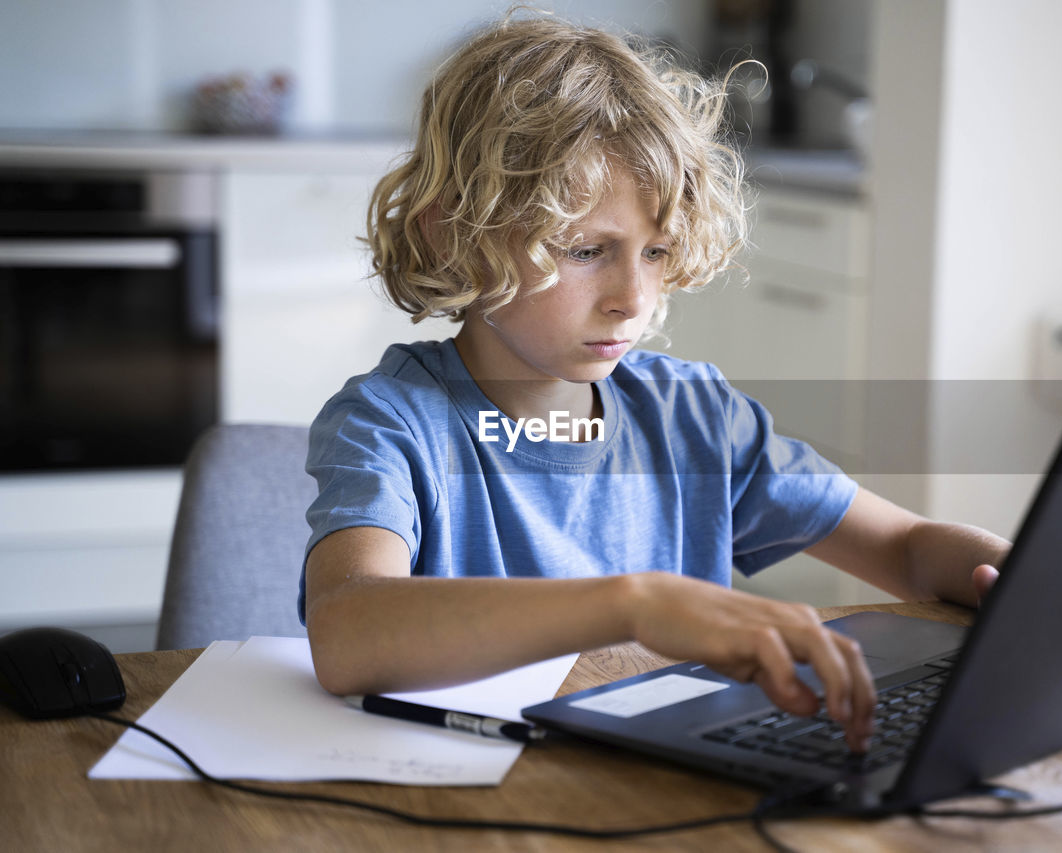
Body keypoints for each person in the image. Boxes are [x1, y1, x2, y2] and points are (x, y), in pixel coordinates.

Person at [300, 11, 1008, 752]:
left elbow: (905, 548)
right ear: (454, 234)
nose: (633, 299)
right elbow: (349, 631)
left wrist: (1012, 572)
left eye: (658, 250)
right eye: (585, 250)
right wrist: (635, 603)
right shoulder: (391, 422)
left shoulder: (694, 417)